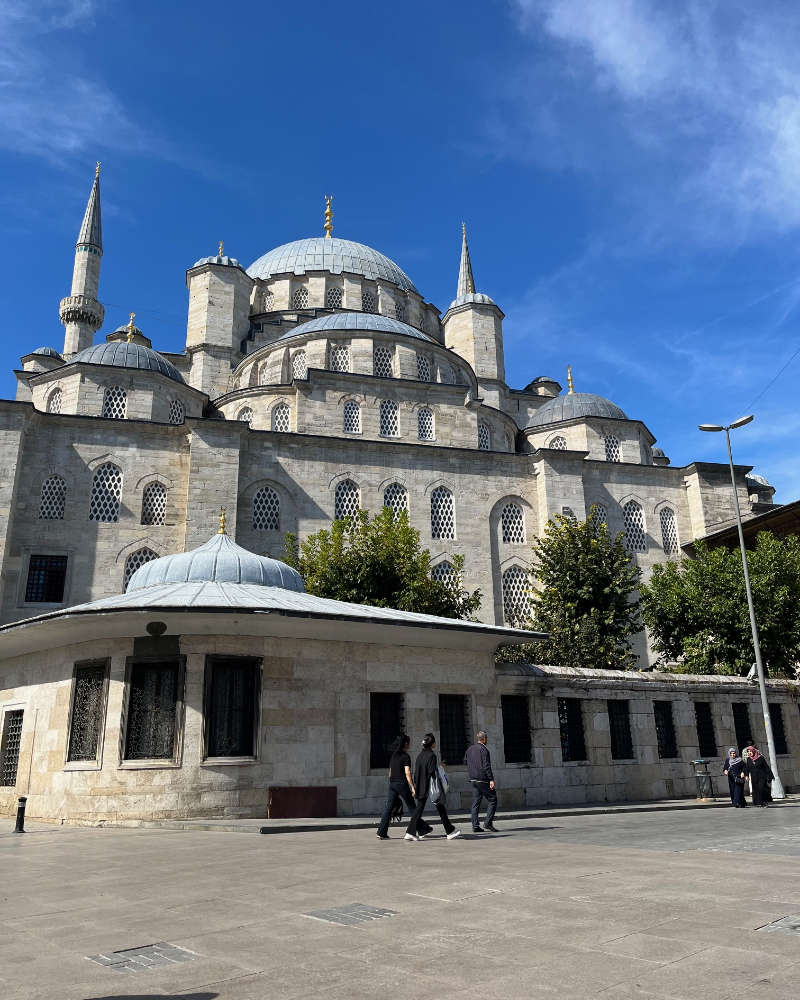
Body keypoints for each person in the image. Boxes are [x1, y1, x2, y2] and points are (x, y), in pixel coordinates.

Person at [405, 733, 461, 841]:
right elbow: (431, 771)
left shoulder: (420, 755)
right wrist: (439, 766)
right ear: (433, 744)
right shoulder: (432, 756)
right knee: (439, 806)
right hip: (430, 786)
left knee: (419, 808)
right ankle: (449, 831)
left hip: (421, 784)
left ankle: (410, 832)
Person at [376, 734, 431, 840]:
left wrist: (392, 781)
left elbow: (390, 771)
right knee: (413, 808)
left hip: (392, 784)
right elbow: (407, 773)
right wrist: (412, 786)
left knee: (388, 808)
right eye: (409, 742)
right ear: (406, 744)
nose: (410, 744)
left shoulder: (394, 756)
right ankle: (423, 829)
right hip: (402, 784)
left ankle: (381, 832)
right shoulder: (406, 757)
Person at [464, 731, 498, 832]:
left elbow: (465, 761)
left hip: (473, 779)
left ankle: (475, 826)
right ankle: (488, 823)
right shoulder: (483, 749)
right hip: (482, 779)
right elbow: (486, 765)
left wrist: (473, 767)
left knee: (475, 803)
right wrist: (491, 779)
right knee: (493, 799)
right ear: (484, 739)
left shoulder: (470, 749)